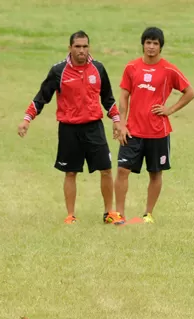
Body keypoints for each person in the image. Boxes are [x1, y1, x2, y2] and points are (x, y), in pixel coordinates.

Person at [18, 30, 122, 225]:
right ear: (70, 48)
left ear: (88, 47)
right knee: (71, 172)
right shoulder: (58, 71)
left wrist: (116, 120)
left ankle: (109, 213)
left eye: (85, 46)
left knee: (106, 169)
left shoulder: (98, 69)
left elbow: (107, 98)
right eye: (77, 46)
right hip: (69, 129)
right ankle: (70, 215)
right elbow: (42, 97)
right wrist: (27, 119)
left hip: (94, 127)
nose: (81, 50)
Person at [113, 27, 194, 225]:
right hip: (132, 130)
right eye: (148, 43)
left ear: (160, 46)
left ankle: (148, 214)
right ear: (143, 44)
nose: (151, 47)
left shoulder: (168, 70)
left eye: (155, 43)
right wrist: (121, 124)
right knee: (123, 170)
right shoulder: (131, 68)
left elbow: (190, 92)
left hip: (158, 132)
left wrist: (170, 109)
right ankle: (120, 215)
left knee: (155, 173)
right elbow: (124, 96)